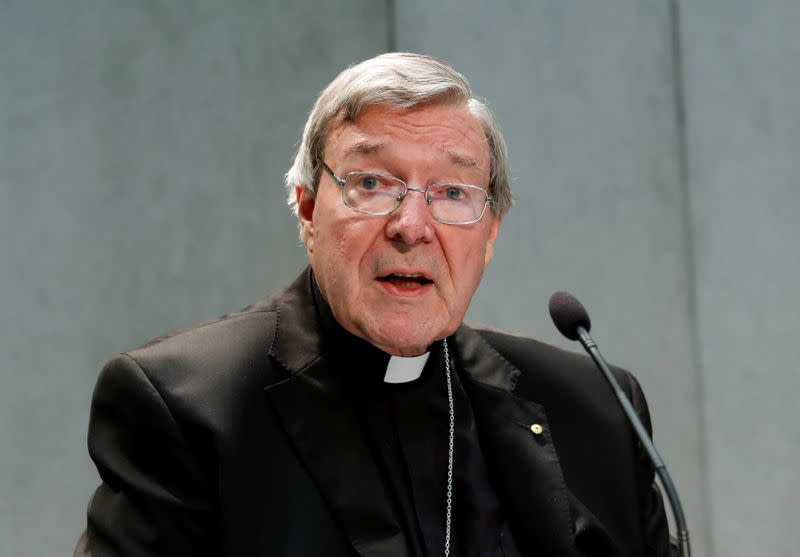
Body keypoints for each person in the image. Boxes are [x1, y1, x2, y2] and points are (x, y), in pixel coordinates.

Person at [75, 52, 672, 556]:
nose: (411, 226)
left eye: (453, 192)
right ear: (308, 209)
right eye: (371, 185)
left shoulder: (596, 410)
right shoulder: (186, 407)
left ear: (489, 234)